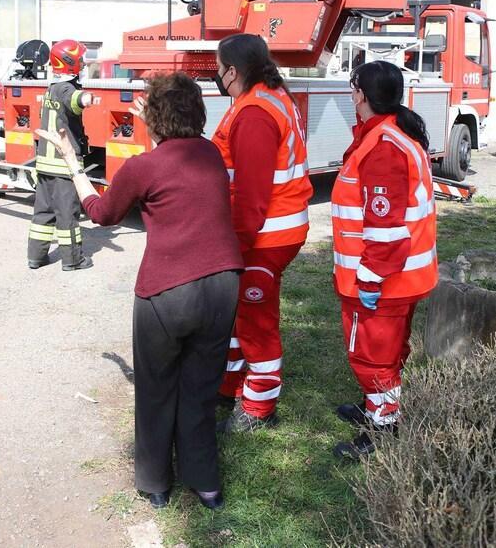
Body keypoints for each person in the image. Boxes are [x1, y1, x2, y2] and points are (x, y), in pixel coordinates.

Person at [36, 72, 243, 510]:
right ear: (197, 113)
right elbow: (175, 170)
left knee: (156, 387)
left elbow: (101, 213)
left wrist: (72, 161)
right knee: (201, 388)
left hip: (166, 292)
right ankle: (205, 484)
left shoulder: (141, 168)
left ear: (152, 119)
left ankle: (156, 483)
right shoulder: (208, 154)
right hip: (224, 283)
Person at [331, 60, 438, 459]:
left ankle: (382, 429)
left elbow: (386, 227)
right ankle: (377, 408)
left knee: (373, 356)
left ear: (361, 94)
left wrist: (370, 279)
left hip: (384, 280)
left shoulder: (383, 147)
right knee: (389, 353)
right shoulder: (392, 135)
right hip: (402, 277)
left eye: (352, 89)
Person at [211, 34, 313, 432]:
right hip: (274, 229)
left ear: (232, 71)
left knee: (256, 320)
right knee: (240, 313)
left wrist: (235, 246)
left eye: (219, 70)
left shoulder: (254, 113)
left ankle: (259, 405)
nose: (218, 77)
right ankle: (232, 383)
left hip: (265, 235)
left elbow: (251, 194)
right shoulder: (270, 96)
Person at [28, 39, 95, 271]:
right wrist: (87, 98)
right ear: (70, 62)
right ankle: (73, 260)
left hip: (45, 164)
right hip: (62, 164)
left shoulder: (51, 89)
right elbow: (75, 100)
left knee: (43, 213)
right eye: (81, 60)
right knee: (67, 214)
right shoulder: (67, 89)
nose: (84, 64)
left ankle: (35, 257)